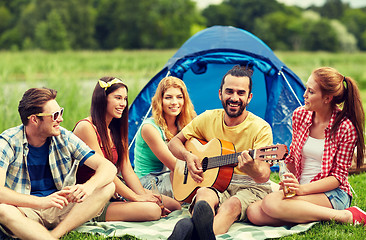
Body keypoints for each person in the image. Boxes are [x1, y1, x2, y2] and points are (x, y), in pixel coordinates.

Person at [246, 67, 366, 227]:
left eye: (311, 91)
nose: (304, 95)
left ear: (327, 98)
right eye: (306, 89)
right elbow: (294, 158)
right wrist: (288, 177)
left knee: (270, 203)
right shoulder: (300, 115)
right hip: (301, 187)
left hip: (331, 194)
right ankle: (307, 214)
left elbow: (338, 178)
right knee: (253, 212)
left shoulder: (345, 127)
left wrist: (302, 190)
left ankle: (345, 216)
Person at [167, 65, 274, 239]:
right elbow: (174, 142)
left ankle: (190, 231)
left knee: (231, 205)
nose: (234, 98)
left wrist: (250, 168)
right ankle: (203, 232)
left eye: (241, 93)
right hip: (215, 182)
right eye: (229, 91)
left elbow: (263, 176)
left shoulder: (260, 128)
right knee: (203, 194)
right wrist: (188, 156)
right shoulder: (208, 118)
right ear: (220, 93)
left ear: (249, 98)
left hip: (249, 185)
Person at [0, 88, 116, 240]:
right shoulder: (8, 142)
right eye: (55, 115)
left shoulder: (63, 136)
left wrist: (88, 187)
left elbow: (108, 168)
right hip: (26, 210)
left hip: (60, 206)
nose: (60, 119)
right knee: (2, 210)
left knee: (108, 186)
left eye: (60, 112)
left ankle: (56, 234)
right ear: (34, 119)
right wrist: (42, 202)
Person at [73, 77, 181, 222]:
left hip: (115, 191)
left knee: (174, 206)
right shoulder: (86, 127)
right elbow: (105, 173)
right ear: (102, 99)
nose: (123, 103)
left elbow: (126, 168)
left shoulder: (116, 129)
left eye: (124, 99)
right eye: (118, 98)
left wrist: (143, 194)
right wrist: (136, 198)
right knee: (153, 210)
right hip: (92, 198)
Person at [134, 76, 196, 197]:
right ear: (160, 100)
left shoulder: (183, 125)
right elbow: (175, 166)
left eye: (179, 97)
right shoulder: (149, 128)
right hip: (147, 183)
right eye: (168, 97)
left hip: (173, 176)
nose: (174, 102)